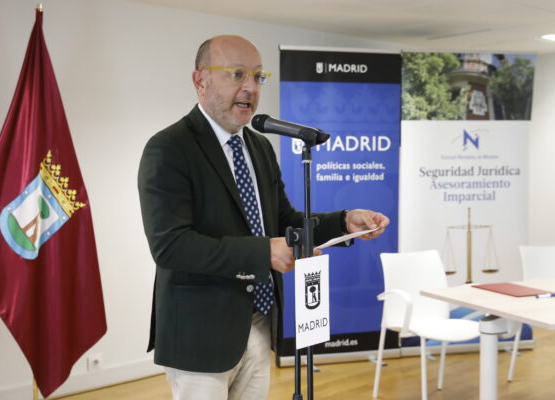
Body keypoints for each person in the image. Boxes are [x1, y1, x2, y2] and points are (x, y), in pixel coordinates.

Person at [137, 34, 389, 400]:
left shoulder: (258, 146)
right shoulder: (169, 148)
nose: (251, 88)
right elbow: (170, 246)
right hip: (199, 334)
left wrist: (344, 221)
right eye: (237, 74)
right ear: (200, 80)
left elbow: (282, 219)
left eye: (258, 76)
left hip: (258, 323)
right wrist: (263, 253)